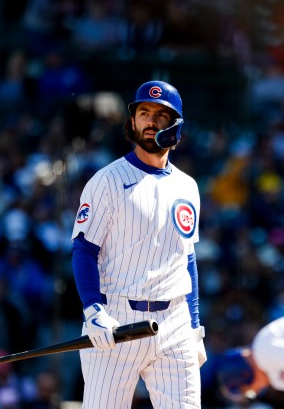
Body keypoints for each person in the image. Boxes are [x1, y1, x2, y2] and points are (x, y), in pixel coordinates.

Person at [71, 80, 206, 408]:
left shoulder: (187, 186)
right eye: (143, 113)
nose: (150, 121)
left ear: (175, 125)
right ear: (132, 121)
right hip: (116, 318)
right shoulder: (107, 180)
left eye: (160, 115)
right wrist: (93, 309)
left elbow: (186, 258)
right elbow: (84, 249)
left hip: (173, 322)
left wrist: (195, 324)